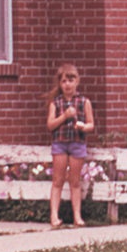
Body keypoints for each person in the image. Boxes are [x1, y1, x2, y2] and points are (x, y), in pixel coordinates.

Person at [45, 64, 96, 227]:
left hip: (77, 143)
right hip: (60, 144)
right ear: (60, 84)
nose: (67, 84)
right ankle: (54, 216)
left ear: (77, 81)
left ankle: (77, 216)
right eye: (64, 81)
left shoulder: (84, 101)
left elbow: (91, 125)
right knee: (57, 180)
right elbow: (50, 125)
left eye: (71, 80)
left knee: (75, 181)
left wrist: (82, 127)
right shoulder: (56, 103)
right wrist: (64, 116)